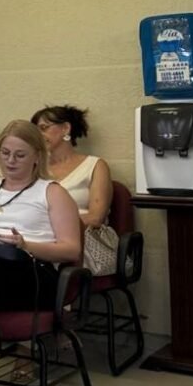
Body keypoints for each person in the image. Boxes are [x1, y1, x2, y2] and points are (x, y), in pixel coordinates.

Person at [0, 120, 81, 313]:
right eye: (5, 153)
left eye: (20, 155)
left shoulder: (52, 192)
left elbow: (72, 251)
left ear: (37, 156)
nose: (10, 161)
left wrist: (26, 246)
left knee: (7, 257)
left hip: (33, 269)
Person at [33, 105, 115, 272]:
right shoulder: (35, 169)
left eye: (43, 128)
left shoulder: (95, 165)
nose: (38, 135)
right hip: (41, 237)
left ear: (65, 128)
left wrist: (57, 226)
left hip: (83, 239)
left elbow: (96, 217)